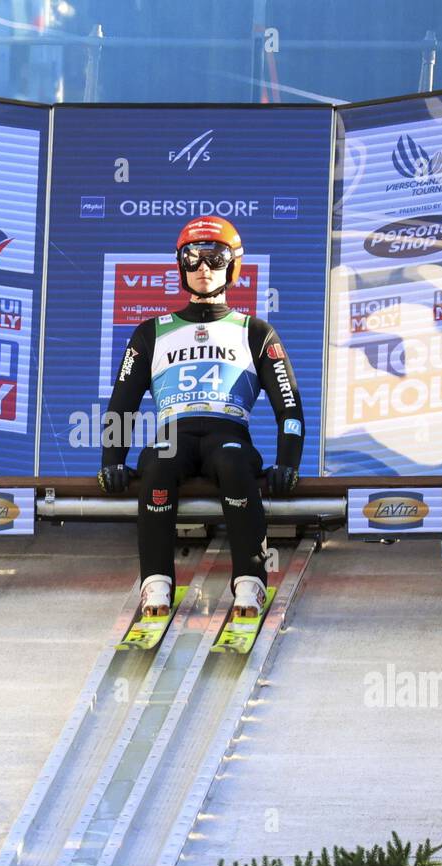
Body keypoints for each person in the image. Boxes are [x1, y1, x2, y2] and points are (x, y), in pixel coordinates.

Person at [97, 216, 304, 619]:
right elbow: (122, 403)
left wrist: (288, 464)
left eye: (215, 256)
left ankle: (250, 583)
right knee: (157, 464)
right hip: (174, 434)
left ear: (233, 266)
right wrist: (112, 462)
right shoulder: (151, 332)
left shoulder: (256, 332)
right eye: (192, 258)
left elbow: (289, 407)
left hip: (228, 435)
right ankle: (155, 583)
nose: (203, 267)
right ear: (180, 267)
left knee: (232, 462)